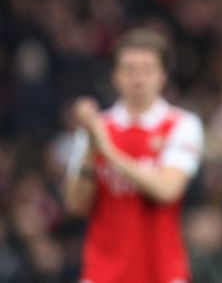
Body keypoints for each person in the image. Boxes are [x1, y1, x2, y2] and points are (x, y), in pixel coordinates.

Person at [63, 28, 204, 283]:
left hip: (162, 272)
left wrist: (108, 151)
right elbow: (76, 204)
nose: (138, 79)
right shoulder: (96, 128)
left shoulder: (182, 125)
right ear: (115, 76)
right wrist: (90, 151)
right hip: (101, 272)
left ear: (162, 76)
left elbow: (166, 189)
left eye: (147, 70)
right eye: (129, 70)